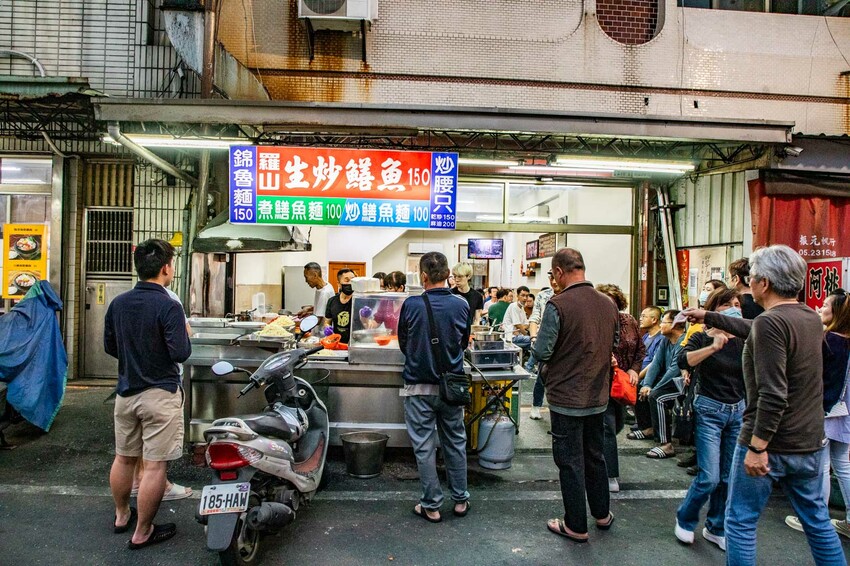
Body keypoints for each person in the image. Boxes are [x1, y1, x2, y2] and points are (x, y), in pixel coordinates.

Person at [684, 245, 845, 566]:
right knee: (817, 522)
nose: (748, 284)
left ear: (765, 283)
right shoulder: (809, 319)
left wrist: (758, 446)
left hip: (770, 441)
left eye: (752, 277)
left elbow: (772, 393)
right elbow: (758, 329)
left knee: (740, 521)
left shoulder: (771, 323)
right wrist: (710, 316)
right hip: (809, 442)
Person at [104, 239, 191, 550]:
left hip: (126, 393)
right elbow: (180, 352)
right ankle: (143, 531)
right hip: (160, 394)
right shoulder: (169, 306)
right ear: (166, 268)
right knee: (154, 466)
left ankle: (120, 514)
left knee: (124, 458)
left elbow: (110, 346)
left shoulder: (119, 303)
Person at [531, 248, 618, 543]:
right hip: (598, 395)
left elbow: (542, 350)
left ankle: (576, 525)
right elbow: (614, 343)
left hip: (566, 398)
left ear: (558, 272)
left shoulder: (558, 304)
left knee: (569, 461)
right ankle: (603, 514)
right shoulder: (608, 304)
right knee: (595, 456)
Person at [398, 251, 470, 523]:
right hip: (451, 387)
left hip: (418, 387)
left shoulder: (411, 304)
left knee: (424, 447)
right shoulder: (461, 304)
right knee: (455, 442)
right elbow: (463, 342)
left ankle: (432, 505)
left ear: (423, 276)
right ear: (448, 274)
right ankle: (461, 498)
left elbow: (404, 343)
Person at [674, 288, 746, 552]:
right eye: (728, 304)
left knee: (728, 477)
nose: (734, 308)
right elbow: (684, 360)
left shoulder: (744, 338)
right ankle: (685, 517)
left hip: (737, 411)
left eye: (738, 304)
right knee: (709, 477)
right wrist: (713, 347)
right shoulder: (700, 336)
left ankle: (716, 527)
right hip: (709, 410)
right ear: (714, 309)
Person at [785, 288, 850, 539]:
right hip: (845, 410)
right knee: (843, 465)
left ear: (837, 312)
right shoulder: (843, 338)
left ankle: (814, 518)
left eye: (825, 305)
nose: (820, 308)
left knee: (820, 465)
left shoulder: (830, 340)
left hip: (825, 408)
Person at [131, 286, 193, 503]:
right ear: (166, 267)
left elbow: (110, 344)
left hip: (131, 380)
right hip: (162, 383)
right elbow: (183, 344)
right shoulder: (170, 299)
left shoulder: (124, 300)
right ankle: (158, 494)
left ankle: (131, 493)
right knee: (157, 450)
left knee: (131, 448)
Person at [597, 283, 645, 494]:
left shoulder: (630, 321)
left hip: (624, 381)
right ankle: (610, 475)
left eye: (612, 302)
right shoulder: (596, 322)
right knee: (607, 426)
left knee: (617, 425)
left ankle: (595, 454)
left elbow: (640, 349)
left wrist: (635, 369)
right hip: (602, 381)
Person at [638, 309, 686, 459]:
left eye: (664, 322)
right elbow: (656, 363)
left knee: (657, 397)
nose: (661, 325)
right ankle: (648, 428)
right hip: (668, 382)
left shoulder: (683, 342)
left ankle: (666, 444)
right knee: (639, 387)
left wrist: (654, 388)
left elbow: (674, 370)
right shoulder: (665, 341)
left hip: (682, 385)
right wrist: (646, 384)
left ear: (675, 324)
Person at [528, 274, 561, 420]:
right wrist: (534, 337)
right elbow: (535, 318)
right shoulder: (543, 295)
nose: (553, 281)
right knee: (541, 375)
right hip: (545, 340)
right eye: (550, 278)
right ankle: (536, 406)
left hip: (563, 343)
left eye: (556, 277)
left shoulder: (570, 295)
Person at [630, 306, 665, 436]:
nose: (641, 319)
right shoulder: (645, 337)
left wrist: (639, 375)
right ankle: (639, 421)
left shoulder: (661, 338)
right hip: (639, 372)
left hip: (652, 375)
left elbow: (655, 363)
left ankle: (647, 426)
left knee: (638, 385)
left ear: (654, 319)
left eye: (644, 316)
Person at [324, 268, 355, 344]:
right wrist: (327, 328)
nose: (350, 283)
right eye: (347, 280)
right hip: (337, 343)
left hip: (355, 343)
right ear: (339, 284)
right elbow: (327, 321)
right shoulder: (332, 301)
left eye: (353, 280)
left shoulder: (358, 301)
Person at [451, 262, 484, 330]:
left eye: (460, 276)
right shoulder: (449, 294)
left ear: (468, 276)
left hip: (467, 334)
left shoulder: (477, 296)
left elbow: (476, 320)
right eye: (455, 276)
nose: (456, 280)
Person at [503, 286, 531, 353]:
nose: (525, 298)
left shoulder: (521, 308)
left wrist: (520, 328)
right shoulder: (514, 306)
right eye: (522, 295)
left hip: (518, 335)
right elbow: (518, 325)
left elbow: (527, 324)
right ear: (517, 296)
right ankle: (530, 363)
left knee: (535, 344)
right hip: (512, 338)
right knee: (535, 341)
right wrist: (526, 334)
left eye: (527, 296)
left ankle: (529, 362)